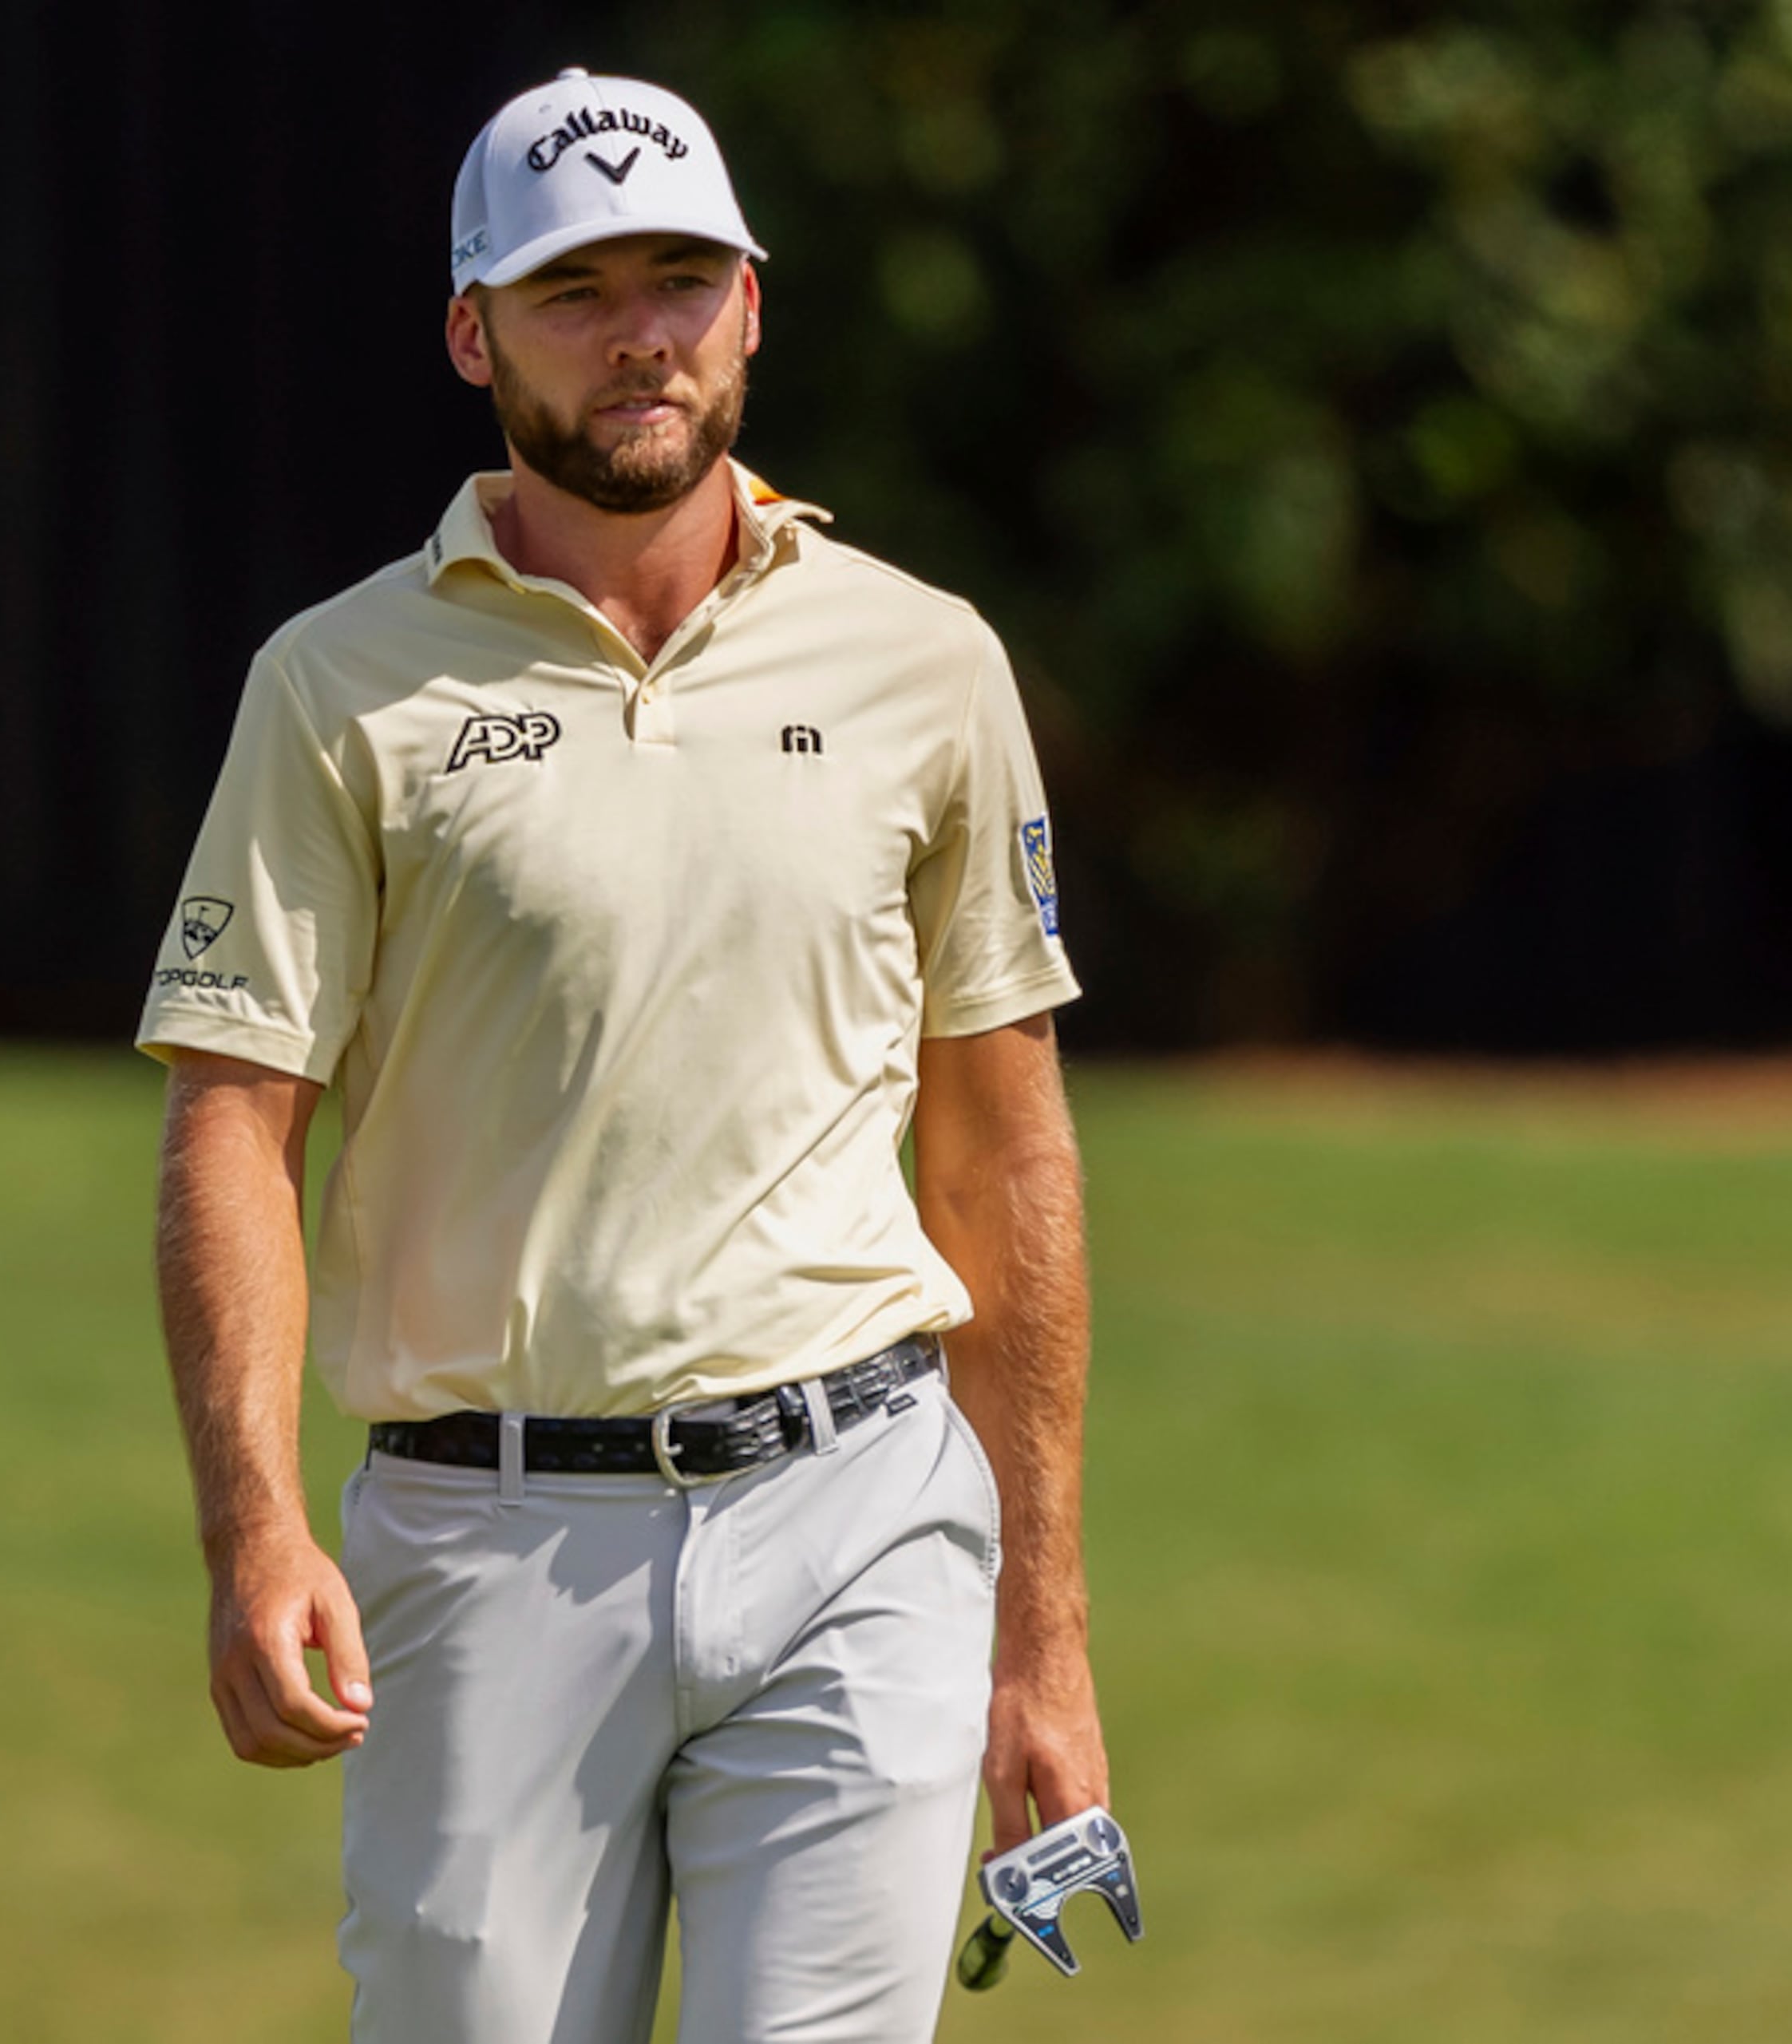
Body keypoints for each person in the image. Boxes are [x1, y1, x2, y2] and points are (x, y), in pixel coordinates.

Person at [140, 67, 1106, 2042]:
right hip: (491, 1544)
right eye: (579, 292)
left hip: (863, 1511)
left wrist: (1045, 1632)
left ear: (753, 305)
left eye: (684, 278)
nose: (642, 334)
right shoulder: (337, 686)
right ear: (473, 332)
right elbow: (235, 1125)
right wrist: (253, 1527)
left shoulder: (928, 662)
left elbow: (1004, 1156)